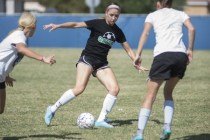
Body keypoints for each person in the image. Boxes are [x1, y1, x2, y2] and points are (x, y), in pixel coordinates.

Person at [43, 3, 148, 128]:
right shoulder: (98, 23)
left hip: (101, 63)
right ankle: (52, 109)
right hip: (87, 59)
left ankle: (101, 120)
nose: (114, 18)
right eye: (111, 15)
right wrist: (58, 25)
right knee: (79, 88)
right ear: (106, 13)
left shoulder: (118, 31)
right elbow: (76, 25)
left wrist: (135, 60)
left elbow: (129, 49)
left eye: (116, 16)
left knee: (114, 89)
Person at [132, 0, 195, 139]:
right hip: (180, 56)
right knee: (168, 92)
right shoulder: (180, 13)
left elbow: (146, 33)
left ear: (159, 3)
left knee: (150, 95)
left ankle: (139, 134)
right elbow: (191, 29)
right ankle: (167, 126)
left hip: (163, 56)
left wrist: (138, 54)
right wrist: (190, 49)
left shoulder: (152, 15)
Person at [0, 12, 56, 114]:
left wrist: (6, 75)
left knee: (0, 109)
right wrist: (43, 58)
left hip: (1, 76)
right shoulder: (19, 35)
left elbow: (5, 57)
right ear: (33, 25)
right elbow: (22, 49)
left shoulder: (18, 35)